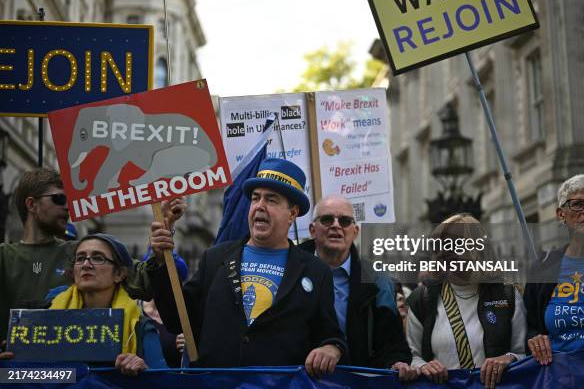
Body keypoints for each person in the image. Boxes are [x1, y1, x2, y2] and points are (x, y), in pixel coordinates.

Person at [148, 158, 347, 377]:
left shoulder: (315, 271)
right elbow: (177, 319)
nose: (260, 205)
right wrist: (160, 261)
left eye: (271, 199)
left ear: (292, 213)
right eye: (255, 198)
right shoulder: (215, 258)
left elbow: (330, 335)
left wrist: (331, 348)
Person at [0, 168, 186, 343]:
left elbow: (144, 280)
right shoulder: (4, 257)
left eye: (69, 200)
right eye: (58, 199)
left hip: (75, 367)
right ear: (32, 204)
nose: (67, 207)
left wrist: (161, 249)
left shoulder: (78, 252)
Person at [1, 234, 167, 375]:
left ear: (119, 274)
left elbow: (165, 380)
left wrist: (144, 371)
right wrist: (9, 366)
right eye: (80, 258)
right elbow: (19, 378)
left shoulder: (139, 327)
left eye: (97, 258)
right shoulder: (40, 318)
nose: (87, 264)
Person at [299, 195, 418, 381]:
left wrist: (396, 363)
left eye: (345, 221)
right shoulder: (291, 271)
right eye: (327, 219)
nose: (336, 225)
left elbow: (392, 344)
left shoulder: (378, 280)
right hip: (303, 382)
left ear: (355, 231)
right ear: (312, 230)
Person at [406, 213, 526, 389]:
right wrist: (423, 365)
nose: (445, 252)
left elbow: (523, 353)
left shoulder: (507, 295)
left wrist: (509, 358)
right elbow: (411, 356)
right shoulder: (422, 298)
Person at [524, 174, 584, 365]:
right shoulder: (542, 268)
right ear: (561, 214)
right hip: (563, 378)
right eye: (577, 204)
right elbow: (530, 327)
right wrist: (535, 339)